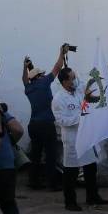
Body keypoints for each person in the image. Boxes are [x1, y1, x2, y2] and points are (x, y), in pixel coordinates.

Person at [52, 62, 108, 212]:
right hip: (72, 139)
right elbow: (61, 120)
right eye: (72, 78)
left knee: (90, 168)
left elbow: (94, 81)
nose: (76, 80)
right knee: (71, 173)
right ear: (64, 81)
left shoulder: (80, 90)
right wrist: (81, 118)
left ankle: (92, 196)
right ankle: (70, 202)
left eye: (75, 77)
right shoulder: (58, 99)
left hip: (86, 137)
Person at [23, 45, 67, 190]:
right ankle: (52, 183)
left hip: (33, 125)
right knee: (50, 154)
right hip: (46, 124)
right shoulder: (44, 82)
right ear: (40, 76)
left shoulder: (28, 88)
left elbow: (25, 80)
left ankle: (33, 181)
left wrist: (25, 67)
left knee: (36, 154)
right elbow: (57, 67)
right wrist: (61, 53)